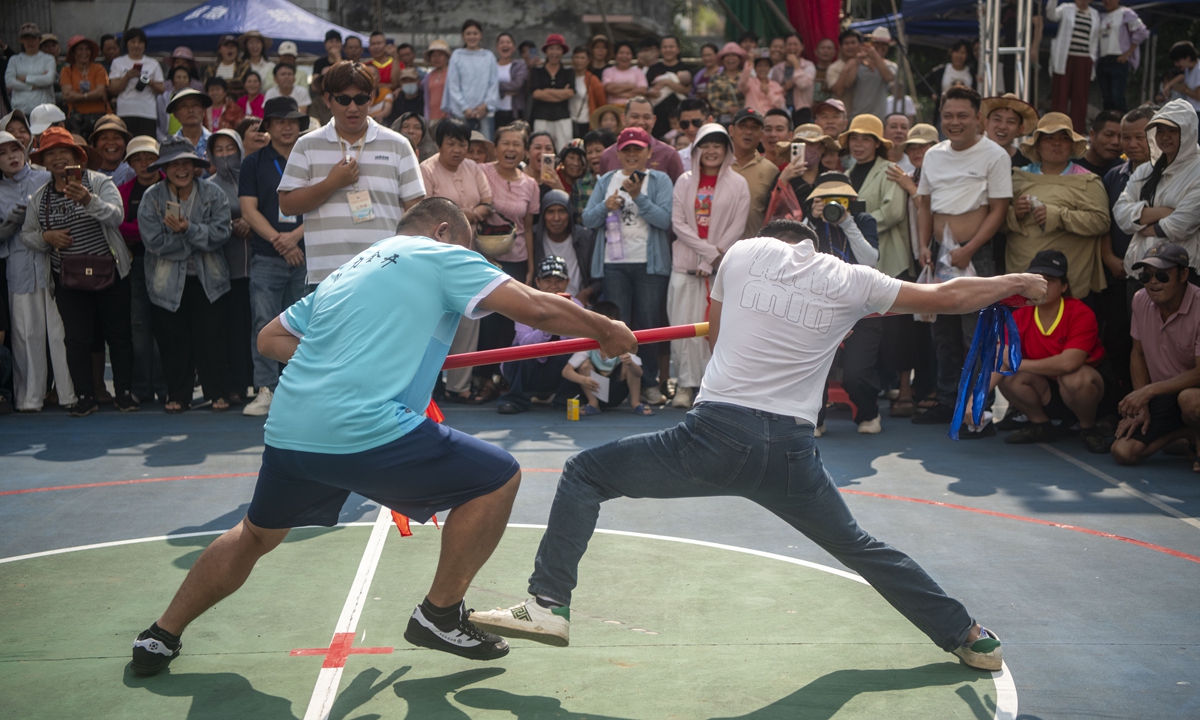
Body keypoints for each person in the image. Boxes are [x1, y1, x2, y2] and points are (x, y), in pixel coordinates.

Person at [471, 217, 1047, 672]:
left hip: (713, 437)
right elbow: (949, 295)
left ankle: (548, 604)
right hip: (792, 453)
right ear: (818, 247)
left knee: (585, 474)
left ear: (772, 241)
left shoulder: (742, 255)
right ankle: (969, 636)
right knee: (860, 547)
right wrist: (1016, 283)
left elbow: (718, 337)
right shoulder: (855, 281)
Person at [130, 197, 638, 675]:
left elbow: (271, 338)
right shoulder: (438, 255)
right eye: (466, 247)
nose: (470, 263)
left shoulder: (350, 270)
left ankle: (160, 634)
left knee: (255, 535)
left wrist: (338, 357)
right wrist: (604, 329)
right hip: (364, 427)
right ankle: (439, 615)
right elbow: (537, 308)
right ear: (443, 231)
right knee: (498, 478)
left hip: (292, 429)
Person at [913, 86, 1013, 434]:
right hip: (938, 254)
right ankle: (946, 401)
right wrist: (923, 245)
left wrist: (970, 250)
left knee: (975, 334)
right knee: (943, 333)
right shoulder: (934, 155)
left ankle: (978, 410)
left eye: (962, 116)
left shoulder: (994, 155)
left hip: (977, 253)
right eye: (948, 116)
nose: (954, 123)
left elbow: (998, 210)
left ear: (978, 119)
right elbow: (925, 203)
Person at [21, 127, 136, 416]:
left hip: (110, 273)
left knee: (119, 335)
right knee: (76, 339)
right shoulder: (40, 197)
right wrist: (46, 238)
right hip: (68, 279)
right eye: (51, 154)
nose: (58, 158)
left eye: (64, 152)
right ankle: (84, 395)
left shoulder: (99, 182)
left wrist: (87, 199)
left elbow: (116, 215)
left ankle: (124, 392)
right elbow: (27, 234)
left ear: (77, 156)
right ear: (44, 163)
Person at [278, 61, 425, 286]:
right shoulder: (306, 145)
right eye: (343, 100)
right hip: (327, 277)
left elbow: (416, 213)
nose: (353, 107)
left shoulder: (398, 145)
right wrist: (331, 183)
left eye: (361, 99)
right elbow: (287, 205)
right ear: (328, 99)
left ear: (372, 97)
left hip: (385, 274)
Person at [136, 136, 232, 413]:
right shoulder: (151, 197)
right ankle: (178, 394)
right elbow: (153, 242)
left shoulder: (214, 194)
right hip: (166, 284)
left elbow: (222, 234)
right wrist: (195, 239)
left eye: (186, 163)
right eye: (174, 164)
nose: (181, 169)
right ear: (164, 167)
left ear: (194, 165)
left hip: (210, 280)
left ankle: (218, 393)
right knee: (173, 341)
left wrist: (187, 229)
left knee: (212, 338)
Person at [583, 126, 674, 406]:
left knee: (648, 325)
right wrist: (605, 207)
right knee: (617, 325)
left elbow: (665, 220)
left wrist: (639, 197)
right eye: (627, 150)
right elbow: (587, 219)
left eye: (638, 149)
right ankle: (617, 386)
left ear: (649, 152)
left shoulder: (660, 180)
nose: (632, 154)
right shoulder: (606, 180)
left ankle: (648, 384)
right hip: (614, 264)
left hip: (650, 264)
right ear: (618, 153)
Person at [668, 123, 749, 410]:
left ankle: (711, 387)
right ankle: (684, 385)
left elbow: (737, 227)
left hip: (721, 272)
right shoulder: (684, 180)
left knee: (717, 330)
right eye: (706, 145)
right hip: (684, 268)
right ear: (696, 149)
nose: (711, 151)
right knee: (682, 329)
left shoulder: (739, 184)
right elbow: (678, 224)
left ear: (727, 150)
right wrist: (706, 255)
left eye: (718, 145)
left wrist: (710, 259)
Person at [238, 97, 308, 417]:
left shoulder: (311, 157)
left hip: (307, 255)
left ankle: (302, 389)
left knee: (308, 326)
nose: (287, 126)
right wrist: (281, 240)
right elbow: (248, 210)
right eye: (279, 121)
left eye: (292, 120)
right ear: (267, 126)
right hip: (268, 254)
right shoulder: (254, 163)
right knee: (263, 322)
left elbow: (324, 204)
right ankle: (266, 388)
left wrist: (296, 236)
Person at [999, 249, 1109, 449]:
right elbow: (1000, 359)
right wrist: (973, 401)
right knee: (1006, 375)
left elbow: (1069, 363)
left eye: (1049, 280)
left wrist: (1019, 363)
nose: (1042, 286)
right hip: (1045, 389)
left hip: (1086, 393)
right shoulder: (1019, 314)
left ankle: (1088, 428)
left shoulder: (1080, 312)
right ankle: (1041, 424)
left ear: (1064, 286)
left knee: (1075, 377)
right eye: (1037, 280)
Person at [0, 130, 75, 411]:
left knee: (59, 333)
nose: (11, 157)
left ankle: (68, 394)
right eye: (3, 153)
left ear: (25, 150)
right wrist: (9, 224)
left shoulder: (45, 179)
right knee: (25, 334)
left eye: (15, 150)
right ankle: (28, 398)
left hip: (54, 265)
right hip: (18, 269)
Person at [1110, 242, 1200, 472]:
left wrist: (1147, 392)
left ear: (1184, 275)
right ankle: (1186, 433)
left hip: (1192, 393)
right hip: (1163, 396)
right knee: (1123, 452)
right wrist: (1142, 406)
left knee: (1191, 401)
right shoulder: (1140, 299)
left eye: (1162, 275)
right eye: (1146, 276)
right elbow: (1137, 354)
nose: (1153, 282)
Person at [1008, 112, 1110, 300]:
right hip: (1021, 272)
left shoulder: (1088, 181)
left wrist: (1058, 216)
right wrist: (1014, 213)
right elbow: (997, 221)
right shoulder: (1018, 178)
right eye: (1049, 138)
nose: (1057, 143)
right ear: (1037, 145)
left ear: (1071, 145)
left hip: (1070, 276)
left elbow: (1101, 221)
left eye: (1064, 138)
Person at [1099, 105, 1156, 396]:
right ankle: (1119, 407)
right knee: (1119, 341)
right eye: (1126, 137)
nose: (1132, 144)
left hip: (1158, 278)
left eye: (1140, 137)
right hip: (1119, 275)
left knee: (1154, 345)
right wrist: (1109, 257)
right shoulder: (1113, 176)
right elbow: (1106, 222)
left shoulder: (1173, 175)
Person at [1114, 99, 1200, 285]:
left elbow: (1181, 225)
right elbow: (1120, 212)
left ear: (1188, 131)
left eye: (1173, 130)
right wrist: (1161, 213)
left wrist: (1144, 226)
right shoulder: (1147, 169)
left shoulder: (1197, 170)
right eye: (1160, 130)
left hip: (1181, 275)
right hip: (1141, 273)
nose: (1165, 136)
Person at [495, 255, 584, 415]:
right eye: (547, 280)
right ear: (538, 282)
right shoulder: (523, 304)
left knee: (579, 354)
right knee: (520, 350)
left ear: (567, 282)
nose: (553, 286)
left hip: (558, 368)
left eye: (558, 281)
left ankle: (565, 399)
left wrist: (562, 317)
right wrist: (549, 324)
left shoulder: (576, 306)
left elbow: (582, 339)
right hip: (528, 368)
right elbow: (524, 341)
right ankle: (515, 399)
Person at [117, 135, 168, 404]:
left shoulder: (171, 183)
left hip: (170, 264)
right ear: (130, 163)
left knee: (167, 327)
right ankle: (142, 388)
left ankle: (166, 386)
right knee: (139, 329)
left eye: (149, 157)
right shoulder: (124, 190)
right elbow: (118, 226)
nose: (144, 162)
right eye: (138, 158)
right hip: (136, 264)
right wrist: (152, 231)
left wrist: (140, 231)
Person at [208, 129, 253, 403]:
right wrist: (230, 225)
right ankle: (235, 385)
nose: (225, 155)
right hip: (226, 268)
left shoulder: (252, 177)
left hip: (257, 265)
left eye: (230, 148)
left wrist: (251, 221)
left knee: (254, 326)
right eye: (219, 150)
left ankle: (258, 383)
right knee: (232, 330)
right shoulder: (209, 185)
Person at [560, 299, 651, 416]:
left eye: (610, 324)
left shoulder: (624, 343)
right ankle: (593, 403)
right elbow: (566, 371)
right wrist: (583, 380)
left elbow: (639, 373)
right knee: (584, 365)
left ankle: (635, 403)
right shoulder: (588, 343)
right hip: (594, 388)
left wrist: (630, 363)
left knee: (628, 365)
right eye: (602, 324)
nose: (605, 330)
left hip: (618, 391)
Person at [421, 117, 493, 236]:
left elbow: (488, 203)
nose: (457, 150)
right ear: (438, 145)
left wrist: (473, 214)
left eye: (462, 144)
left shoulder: (473, 167)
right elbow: (425, 210)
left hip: (474, 240)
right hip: (441, 240)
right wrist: (461, 216)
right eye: (451, 144)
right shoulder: (426, 169)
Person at [532, 189, 600, 305]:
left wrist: (586, 293)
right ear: (543, 215)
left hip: (577, 304)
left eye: (562, 211)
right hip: (542, 304)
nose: (556, 218)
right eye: (550, 212)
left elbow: (600, 279)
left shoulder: (585, 238)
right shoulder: (533, 238)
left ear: (570, 214)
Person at [597, 97, 684, 182]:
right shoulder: (608, 155)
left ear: (654, 120)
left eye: (646, 117)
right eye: (635, 117)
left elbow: (680, 191)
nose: (641, 122)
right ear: (623, 119)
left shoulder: (669, 154)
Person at [1046, 0, 1100, 132]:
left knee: (1080, 96)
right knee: (1060, 94)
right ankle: (1057, 128)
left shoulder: (1095, 14)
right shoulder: (1066, 8)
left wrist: (1092, 59)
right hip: (1065, 57)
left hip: (1084, 58)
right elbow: (1051, 15)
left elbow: (1095, 38)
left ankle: (1077, 130)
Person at [728, 108, 780, 239]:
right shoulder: (718, 165)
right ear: (731, 130)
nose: (748, 132)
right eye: (743, 126)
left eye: (754, 127)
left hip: (753, 249)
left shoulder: (771, 170)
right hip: (716, 250)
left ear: (762, 134)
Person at [444, 21, 499, 140]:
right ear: (463, 36)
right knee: (462, 144)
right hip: (462, 113)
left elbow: (493, 83)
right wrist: (465, 107)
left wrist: (486, 106)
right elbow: (453, 84)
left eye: (475, 33)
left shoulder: (488, 56)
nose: (472, 37)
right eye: (468, 33)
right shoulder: (457, 56)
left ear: (481, 35)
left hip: (484, 112)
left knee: (486, 146)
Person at [108, 28, 164, 139]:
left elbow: (161, 89)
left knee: (147, 144)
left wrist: (148, 81)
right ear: (127, 44)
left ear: (144, 45)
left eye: (140, 42)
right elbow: (113, 89)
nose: (136, 45)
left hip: (147, 112)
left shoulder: (153, 63)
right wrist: (128, 76)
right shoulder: (118, 62)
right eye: (132, 42)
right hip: (125, 111)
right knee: (126, 144)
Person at [1096, 0, 1149, 113]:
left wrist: (1128, 53)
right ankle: (1110, 125)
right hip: (1103, 59)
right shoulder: (1101, 17)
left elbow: (1142, 32)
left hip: (1119, 59)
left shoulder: (1126, 13)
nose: (1107, 2)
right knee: (1107, 98)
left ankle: (1125, 123)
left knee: (1117, 96)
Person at [529, 34, 575, 151]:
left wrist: (547, 91)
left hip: (562, 116)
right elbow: (536, 94)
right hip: (542, 116)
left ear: (562, 51)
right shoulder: (537, 71)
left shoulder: (568, 72)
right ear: (546, 51)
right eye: (551, 48)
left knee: (564, 149)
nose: (554, 52)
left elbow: (570, 93)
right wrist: (561, 93)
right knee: (541, 149)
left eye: (558, 49)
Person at [60, 36, 109, 139]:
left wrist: (78, 96)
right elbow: (67, 95)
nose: (84, 52)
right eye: (80, 49)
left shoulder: (98, 68)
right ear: (73, 53)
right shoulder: (67, 70)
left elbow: (101, 92)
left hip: (99, 116)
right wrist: (91, 96)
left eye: (87, 49)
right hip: (76, 119)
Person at [646, 35, 693, 139]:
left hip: (679, 118)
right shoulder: (653, 69)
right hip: (658, 117)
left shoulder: (684, 69)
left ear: (678, 49)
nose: (668, 50)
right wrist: (651, 93)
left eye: (671, 47)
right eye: (665, 47)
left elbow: (687, 90)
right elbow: (646, 91)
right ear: (660, 50)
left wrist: (667, 82)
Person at [5, 23, 56, 116]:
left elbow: (49, 79)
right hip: (21, 111)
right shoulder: (14, 60)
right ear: (21, 40)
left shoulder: (48, 59)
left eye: (33, 38)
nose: (30, 42)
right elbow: (9, 81)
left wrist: (25, 78)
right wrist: (33, 85)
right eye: (26, 38)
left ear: (39, 40)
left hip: (44, 111)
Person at [981, 93, 1039, 168]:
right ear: (986, 124)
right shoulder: (972, 156)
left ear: (1020, 129)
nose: (1002, 126)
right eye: (997, 120)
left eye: (1010, 122)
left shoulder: (1026, 165)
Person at [770, 34, 816, 126]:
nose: (792, 47)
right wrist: (784, 89)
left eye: (795, 44)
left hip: (802, 109)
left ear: (802, 46)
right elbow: (772, 89)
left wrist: (796, 64)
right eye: (789, 44)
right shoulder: (778, 68)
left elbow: (803, 84)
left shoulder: (808, 65)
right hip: (782, 108)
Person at [168, 88, 212, 163]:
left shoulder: (214, 143)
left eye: (195, 105)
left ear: (203, 110)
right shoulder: (170, 146)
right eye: (184, 106)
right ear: (175, 114)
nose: (191, 110)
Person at [492, 34, 527, 129]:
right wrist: (506, 91)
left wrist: (496, 88)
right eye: (501, 42)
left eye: (508, 42)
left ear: (514, 47)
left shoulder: (520, 65)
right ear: (497, 47)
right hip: (495, 112)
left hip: (514, 111)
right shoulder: (491, 65)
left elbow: (517, 85)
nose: (505, 45)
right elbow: (485, 86)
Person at [706, 43, 745, 124]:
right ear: (722, 60)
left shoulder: (747, 77)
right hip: (722, 119)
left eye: (734, 55)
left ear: (740, 59)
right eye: (727, 56)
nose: (731, 58)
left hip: (744, 117)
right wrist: (729, 109)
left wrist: (741, 109)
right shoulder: (715, 78)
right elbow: (713, 100)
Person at [1076, 110, 1124, 176]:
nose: (1116, 142)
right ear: (1092, 135)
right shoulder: (1071, 165)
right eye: (1109, 135)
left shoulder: (1123, 172)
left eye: (1122, 137)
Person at [933, 40, 975, 113]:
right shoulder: (941, 70)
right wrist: (933, 95)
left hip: (966, 110)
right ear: (951, 53)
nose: (959, 56)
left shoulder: (972, 72)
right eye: (956, 51)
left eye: (962, 53)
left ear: (967, 55)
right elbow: (922, 84)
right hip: (944, 109)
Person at [739, 52, 786, 116]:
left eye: (766, 66)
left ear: (770, 68)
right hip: (751, 116)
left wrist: (768, 93)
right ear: (755, 68)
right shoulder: (750, 82)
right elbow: (742, 83)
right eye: (760, 66)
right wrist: (750, 62)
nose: (762, 69)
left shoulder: (776, 85)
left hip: (768, 118)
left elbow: (780, 105)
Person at [673, 97, 711, 167]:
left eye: (696, 122)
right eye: (685, 124)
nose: (691, 129)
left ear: (709, 121)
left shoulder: (726, 155)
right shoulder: (678, 159)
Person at [423, 39, 452, 125]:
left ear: (447, 57)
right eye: (434, 56)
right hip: (431, 119)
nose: (437, 58)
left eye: (440, 55)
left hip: (448, 118)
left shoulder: (452, 74)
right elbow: (426, 100)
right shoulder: (428, 76)